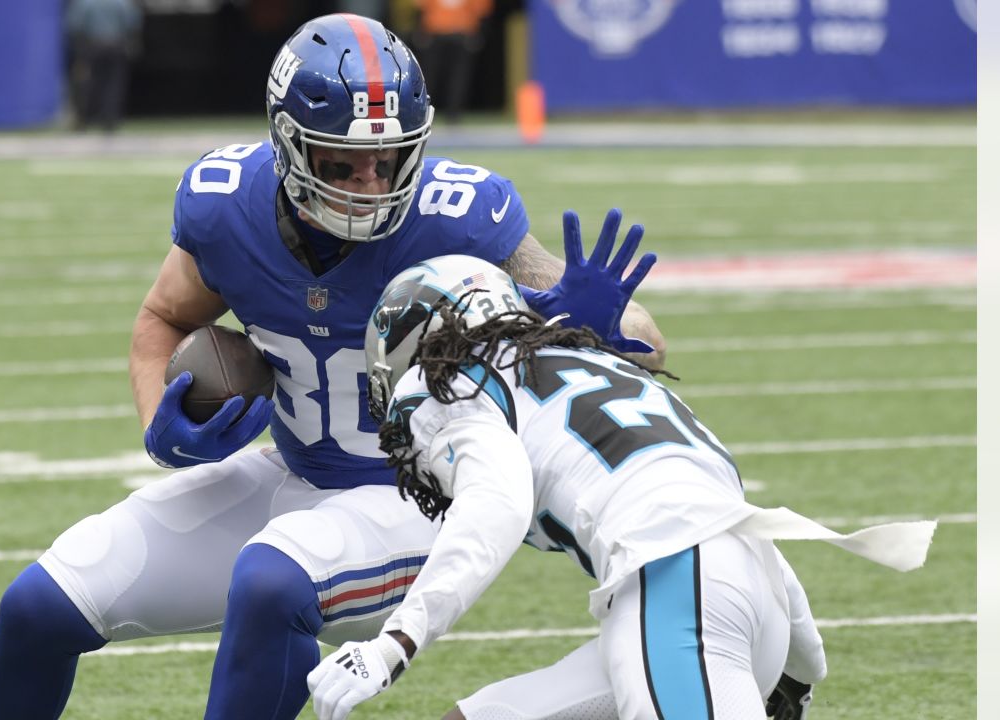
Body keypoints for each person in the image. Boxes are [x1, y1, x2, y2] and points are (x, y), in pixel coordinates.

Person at [0, 13, 665, 720]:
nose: (368, 182)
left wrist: (600, 326)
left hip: (417, 499)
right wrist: (162, 423)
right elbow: (164, 317)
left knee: (273, 583)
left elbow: (645, 340)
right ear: (289, 145)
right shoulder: (226, 207)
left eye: (387, 160)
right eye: (342, 161)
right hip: (294, 471)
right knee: (38, 606)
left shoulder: (459, 216)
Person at [306, 249, 939, 719]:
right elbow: (733, 532)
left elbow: (494, 507)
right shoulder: (595, 362)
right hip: (749, 600)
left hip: (679, 604)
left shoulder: (447, 387)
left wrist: (395, 643)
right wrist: (799, 673)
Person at [66, 0, 142, 133]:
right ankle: (110, 121)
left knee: (88, 83)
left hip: (92, 46)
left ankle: (85, 119)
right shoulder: (121, 3)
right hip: (116, 45)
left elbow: (75, 25)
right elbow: (132, 22)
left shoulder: (85, 3)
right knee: (113, 85)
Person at [412, 0, 493, 124]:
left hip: (450, 30)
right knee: (435, 76)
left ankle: (441, 113)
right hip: (445, 30)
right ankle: (440, 113)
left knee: (453, 77)